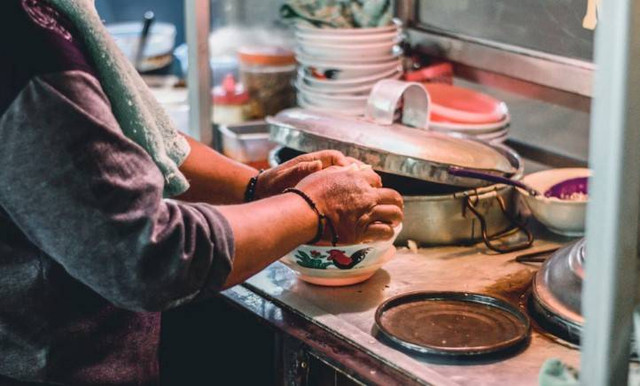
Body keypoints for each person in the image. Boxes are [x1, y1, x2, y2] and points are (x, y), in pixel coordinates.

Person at [0, 1, 403, 385]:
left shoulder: (51, 15)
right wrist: (313, 207)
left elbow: (131, 138)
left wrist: (256, 187)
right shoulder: (24, 45)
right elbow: (145, 254)